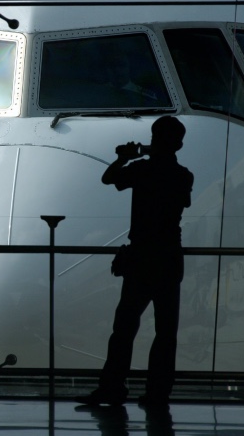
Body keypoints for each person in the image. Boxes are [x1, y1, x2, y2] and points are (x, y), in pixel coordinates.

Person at [77, 115, 194, 408]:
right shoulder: (183, 176)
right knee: (165, 332)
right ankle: (158, 393)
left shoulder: (142, 170)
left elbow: (108, 178)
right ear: (179, 145)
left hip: (141, 258)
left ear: (154, 140)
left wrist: (124, 158)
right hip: (169, 258)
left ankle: (112, 387)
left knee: (124, 329)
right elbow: (181, 201)